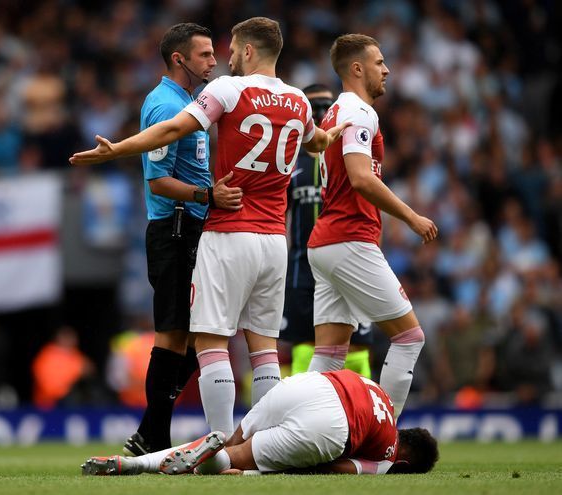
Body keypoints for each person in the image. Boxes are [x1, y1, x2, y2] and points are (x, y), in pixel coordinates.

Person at [70, 17, 348, 437]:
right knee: (264, 349)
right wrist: (335, 132)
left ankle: (219, 445)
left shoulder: (227, 90)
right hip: (275, 238)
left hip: (229, 230)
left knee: (211, 342)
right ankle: (261, 442)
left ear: (249, 51)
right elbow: (316, 143)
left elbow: (174, 128)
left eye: (232, 49)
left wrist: (117, 150)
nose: (226, 58)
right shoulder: (300, 101)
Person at [119, 23, 243, 456]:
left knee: (198, 335)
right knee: (173, 336)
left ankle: (150, 431)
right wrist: (208, 195)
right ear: (179, 59)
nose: (214, 61)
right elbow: (158, 181)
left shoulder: (190, 104)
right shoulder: (162, 106)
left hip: (192, 227)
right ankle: (153, 433)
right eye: (206, 54)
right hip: (173, 229)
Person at [306, 34, 438, 418]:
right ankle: (383, 435)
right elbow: (361, 178)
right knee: (410, 337)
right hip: (349, 239)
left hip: (326, 243)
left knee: (329, 356)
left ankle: (294, 428)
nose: (387, 70)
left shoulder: (333, 114)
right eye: (380, 62)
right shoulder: (360, 112)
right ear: (357, 69)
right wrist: (411, 217)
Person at [81, 369, 439, 476]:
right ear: (406, 461)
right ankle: (218, 464)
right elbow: (339, 470)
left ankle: (135, 462)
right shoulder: (390, 455)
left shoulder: (381, 395)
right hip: (331, 424)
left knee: (231, 442)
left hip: (308, 384)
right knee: (234, 461)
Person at [283, 83, 372, 377]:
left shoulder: (350, 158)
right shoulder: (288, 163)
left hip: (347, 261)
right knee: (305, 347)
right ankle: (302, 415)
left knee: (357, 348)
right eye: (313, 107)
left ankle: (362, 418)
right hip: (301, 270)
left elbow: (371, 208)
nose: (321, 113)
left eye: (326, 106)